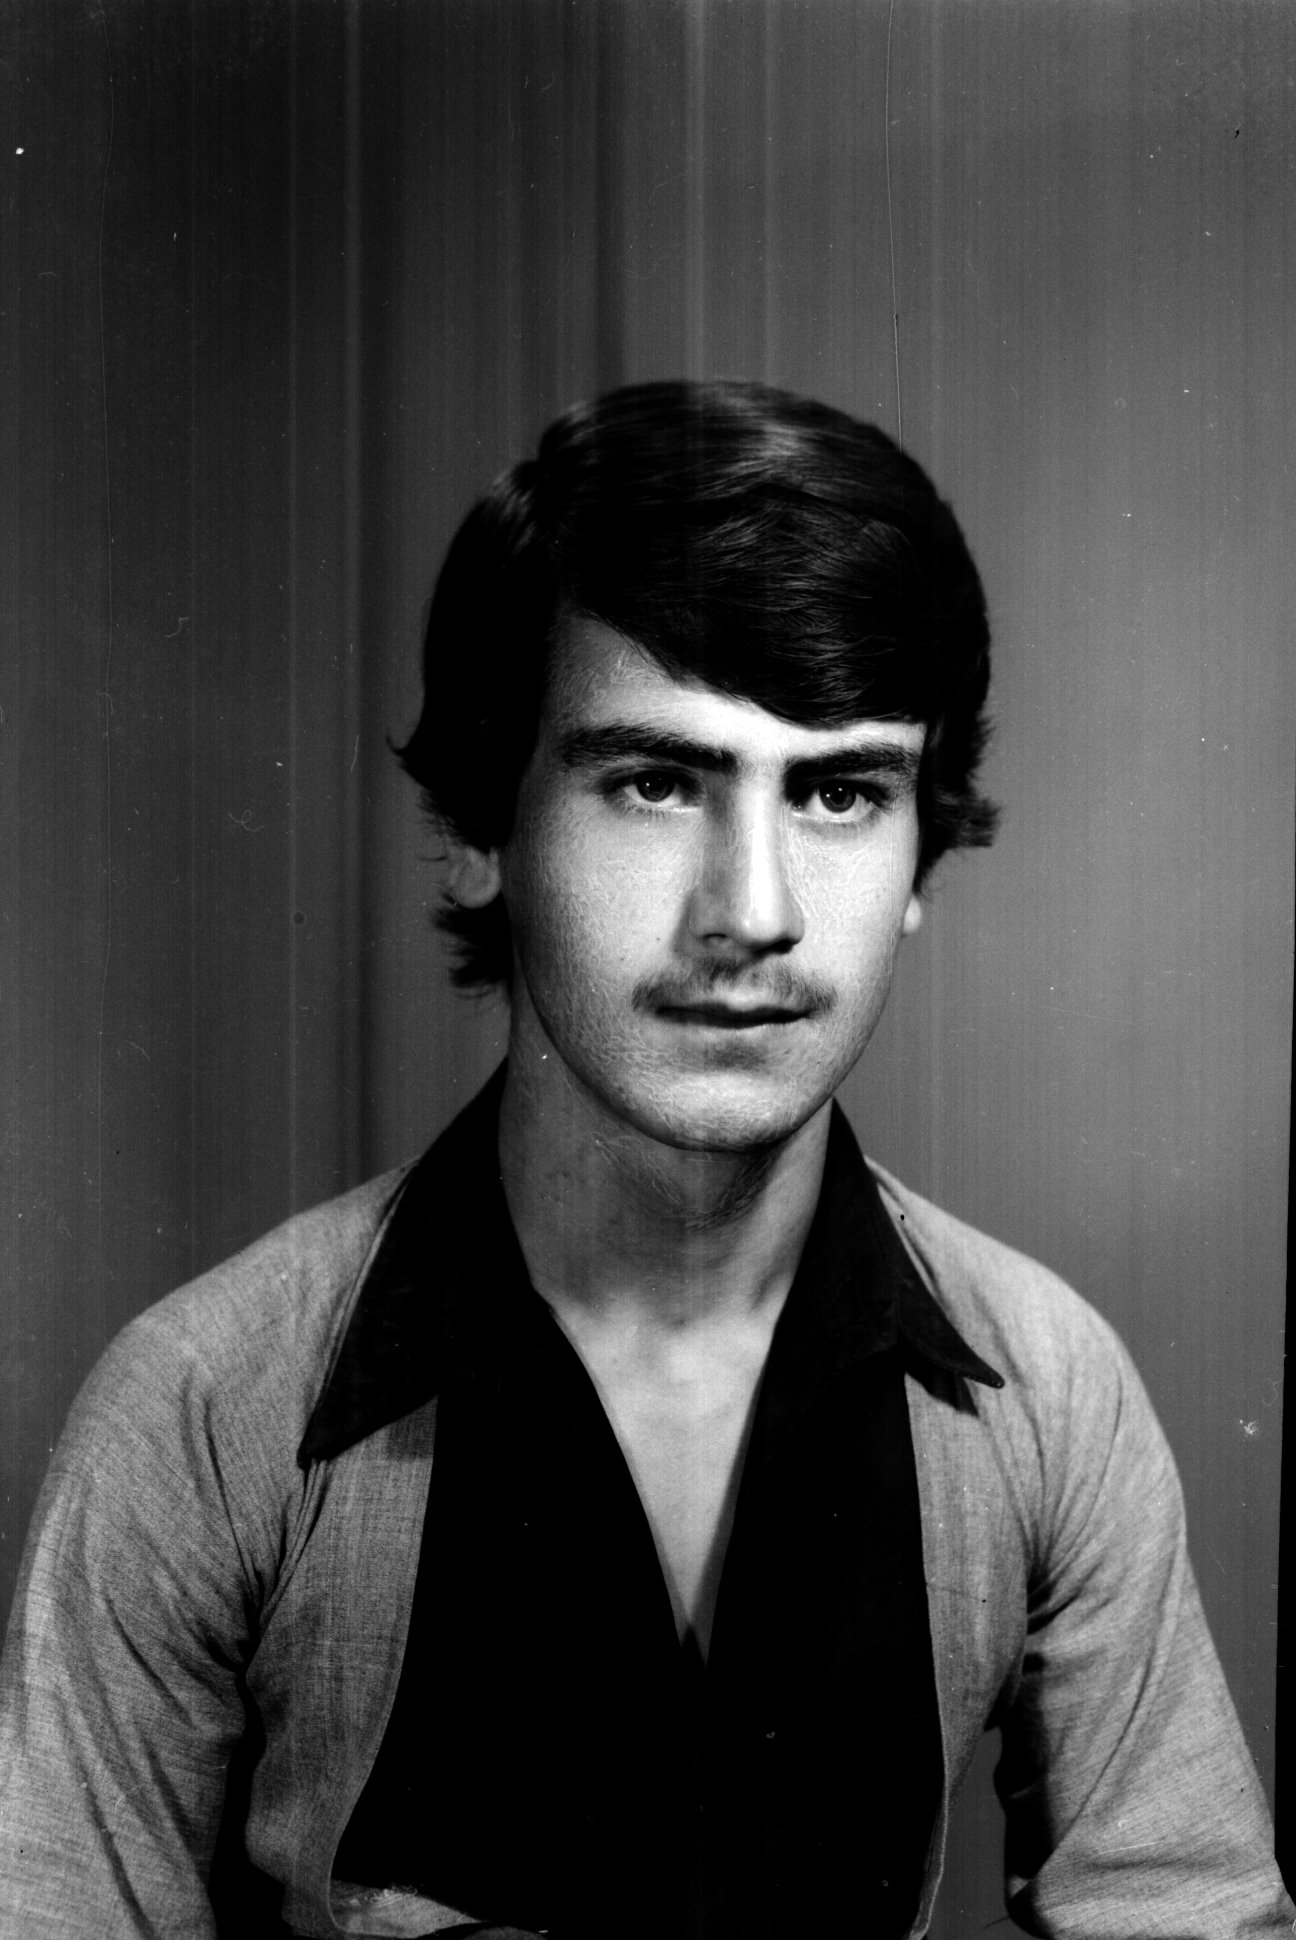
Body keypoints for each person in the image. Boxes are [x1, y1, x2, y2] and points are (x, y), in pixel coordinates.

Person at [0, 381, 1289, 1940]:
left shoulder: (1050, 1394)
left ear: (920, 862)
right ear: (483, 828)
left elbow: (1186, 1908)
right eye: (655, 783)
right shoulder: (207, 1413)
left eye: (838, 792)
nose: (753, 913)